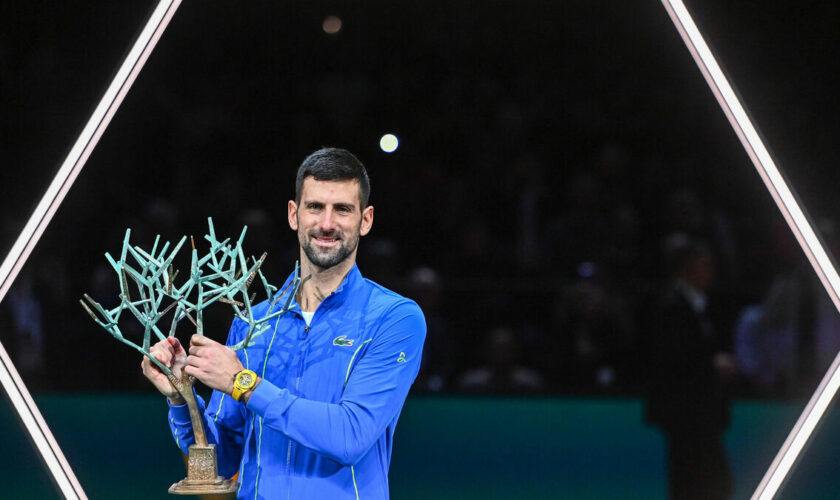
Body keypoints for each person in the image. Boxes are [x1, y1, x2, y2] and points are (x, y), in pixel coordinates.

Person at [141, 148, 426, 499]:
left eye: (342, 210)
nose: (326, 223)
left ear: (365, 220)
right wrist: (182, 398)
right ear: (294, 214)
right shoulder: (253, 321)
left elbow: (351, 435)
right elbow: (222, 464)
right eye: (315, 207)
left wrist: (243, 383)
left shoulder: (394, 318)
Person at [643, 235, 735, 500]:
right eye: (704, 265)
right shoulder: (671, 307)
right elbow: (674, 358)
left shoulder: (693, 306)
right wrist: (712, 365)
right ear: (688, 268)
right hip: (687, 415)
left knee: (707, 483)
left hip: (698, 415)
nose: (710, 273)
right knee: (698, 484)